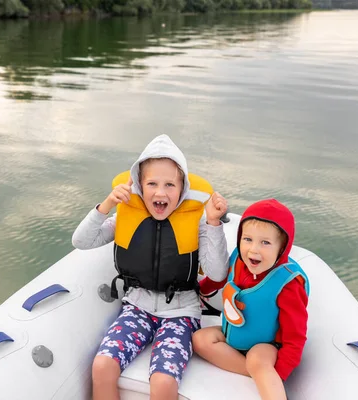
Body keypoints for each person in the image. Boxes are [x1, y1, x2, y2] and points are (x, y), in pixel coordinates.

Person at [72, 134, 229, 400]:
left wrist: (214, 224)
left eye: (170, 185)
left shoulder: (197, 222)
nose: (160, 192)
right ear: (140, 187)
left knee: (163, 381)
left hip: (181, 312)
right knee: (102, 366)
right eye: (152, 184)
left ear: (182, 188)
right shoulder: (126, 217)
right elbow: (81, 241)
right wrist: (107, 204)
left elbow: (216, 273)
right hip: (136, 308)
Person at [192, 199, 310, 400]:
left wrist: (279, 374)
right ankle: (256, 374)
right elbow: (220, 280)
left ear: (282, 248)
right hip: (234, 336)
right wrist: (199, 291)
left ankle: (263, 375)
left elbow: (295, 337)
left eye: (265, 242)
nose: (253, 249)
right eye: (247, 239)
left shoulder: (288, 284)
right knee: (200, 340)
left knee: (256, 359)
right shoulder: (238, 258)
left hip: (267, 345)